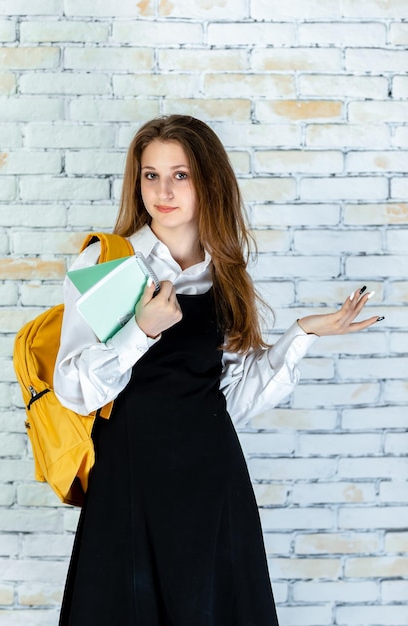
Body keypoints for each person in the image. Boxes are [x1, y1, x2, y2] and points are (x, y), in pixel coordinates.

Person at [54, 115, 382, 626]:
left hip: (211, 479)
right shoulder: (109, 262)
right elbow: (73, 389)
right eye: (150, 175)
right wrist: (141, 330)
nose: (163, 190)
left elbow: (233, 396)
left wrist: (303, 334)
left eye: (180, 175)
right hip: (131, 478)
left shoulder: (224, 269)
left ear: (208, 180)